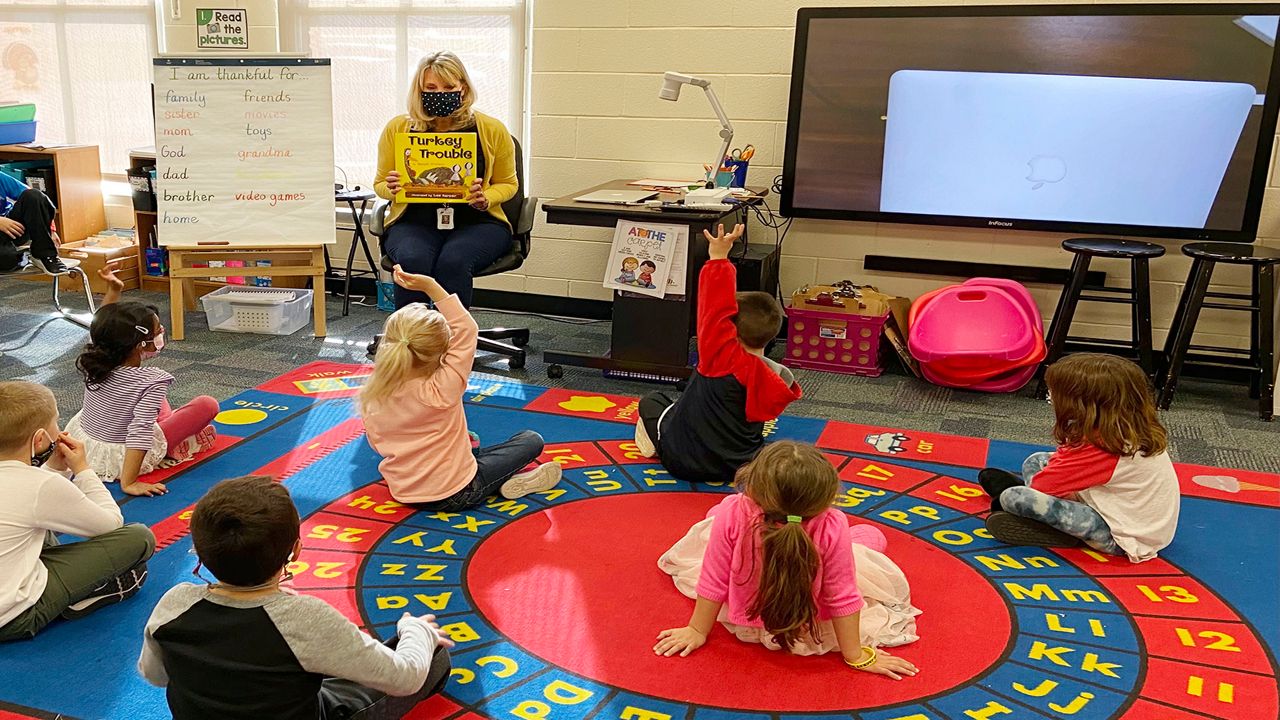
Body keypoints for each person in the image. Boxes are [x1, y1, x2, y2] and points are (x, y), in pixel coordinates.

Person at [139, 476, 453, 719]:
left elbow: (155, 676)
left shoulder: (175, 603)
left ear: (200, 555)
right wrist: (416, 631)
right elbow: (406, 678)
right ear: (297, 551)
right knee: (434, 656)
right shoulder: (304, 618)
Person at [654, 442, 921, 679]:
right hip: (805, 622)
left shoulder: (733, 511)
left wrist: (697, 630)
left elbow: (715, 576)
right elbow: (841, 594)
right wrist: (856, 655)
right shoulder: (833, 523)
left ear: (754, 488)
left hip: (747, 616)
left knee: (716, 514)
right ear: (825, 500)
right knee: (871, 535)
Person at [359, 265, 561, 509]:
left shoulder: (374, 392)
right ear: (442, 353)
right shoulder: (441, 389)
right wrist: (431, 287)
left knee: (469, 443)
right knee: (530, 440)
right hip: (458, 490)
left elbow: (379, 443)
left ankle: (484, 468)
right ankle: (512, 483)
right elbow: (467, 329)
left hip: (404, 490)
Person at [634, 223, 803, 483]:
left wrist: (718, 257)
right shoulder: (776, 377)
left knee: (653, 401)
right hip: (742, 467)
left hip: (684, 461)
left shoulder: (722, 359)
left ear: (729, 331)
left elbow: (714, 307)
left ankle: (656, 440)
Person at [978, 353, 1180, 562]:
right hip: (1120, 508)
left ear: (1081, 405)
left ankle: (1050, 526)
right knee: (1036, 460)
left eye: (1053, 395)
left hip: (1122, 534)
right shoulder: (1122, 428)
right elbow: (1066, 461)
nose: (1052, 399)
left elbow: (1042, 486)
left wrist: (1037, 492)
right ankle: (1039, 506)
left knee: (1014, 497)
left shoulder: (1106, 448)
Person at [0, 381, 155, 642]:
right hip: (13, 618)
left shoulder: (35, 483)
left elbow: (29, 509)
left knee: (36, 529)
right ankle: (71, 599)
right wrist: (83, 470)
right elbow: (110, 525)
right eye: (56, 424)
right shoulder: (40, 486)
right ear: (40, 439)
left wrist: (57, 470)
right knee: (139, 537)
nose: (59, 431)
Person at [375, 51, 517, 311]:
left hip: (478, 222)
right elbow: (380, 184)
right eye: (431, 87)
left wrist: (487, 198)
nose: (440, 93)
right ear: (419, 89)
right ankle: (414, 340)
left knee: (453, 261)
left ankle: (455, 342)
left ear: (463, 87)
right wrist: (393, 189)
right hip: (414, 221)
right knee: (412, 260)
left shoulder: (492, 129)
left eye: (449, 87)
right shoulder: (398, 128)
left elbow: (508, 183)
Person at [66, 265, 219, 497]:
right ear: (141, 345)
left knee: (154, 403)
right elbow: (140, 431)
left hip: (88, 445)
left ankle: (176, 433)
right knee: (207, 405)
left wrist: (114, 289)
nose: (161, 333)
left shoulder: (95, 357)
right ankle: (175, 445)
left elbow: (102, 325)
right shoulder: (152, 380)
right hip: (122, 456)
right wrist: (130, 482)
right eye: (157, 331)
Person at [0, 169, 65, 273]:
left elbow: (38, 199)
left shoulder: (1, 177)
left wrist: (50, 230)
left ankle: (46, 255)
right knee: (7, 261)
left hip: (12, 228)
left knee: (33, 195)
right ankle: (24, 256)